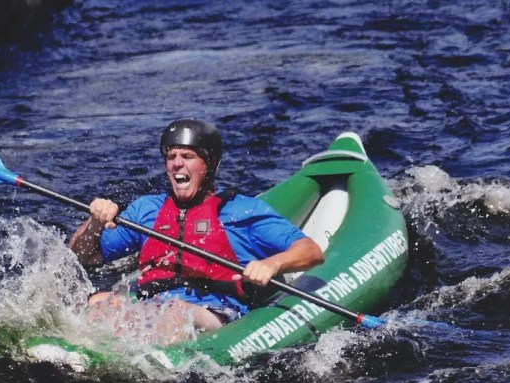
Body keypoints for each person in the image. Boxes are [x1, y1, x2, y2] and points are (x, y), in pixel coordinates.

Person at [69, 118, 323, 340]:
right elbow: (84, 256)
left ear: (209, 164)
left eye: (188, 156)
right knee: (100, 303)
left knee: (175, 312)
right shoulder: (146, 210)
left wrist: (272, 264)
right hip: (154, 307)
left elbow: (311, 251)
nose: (177, 164)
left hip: (214, 312)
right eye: (171, 157)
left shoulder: (239, 211)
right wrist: (95, 223)